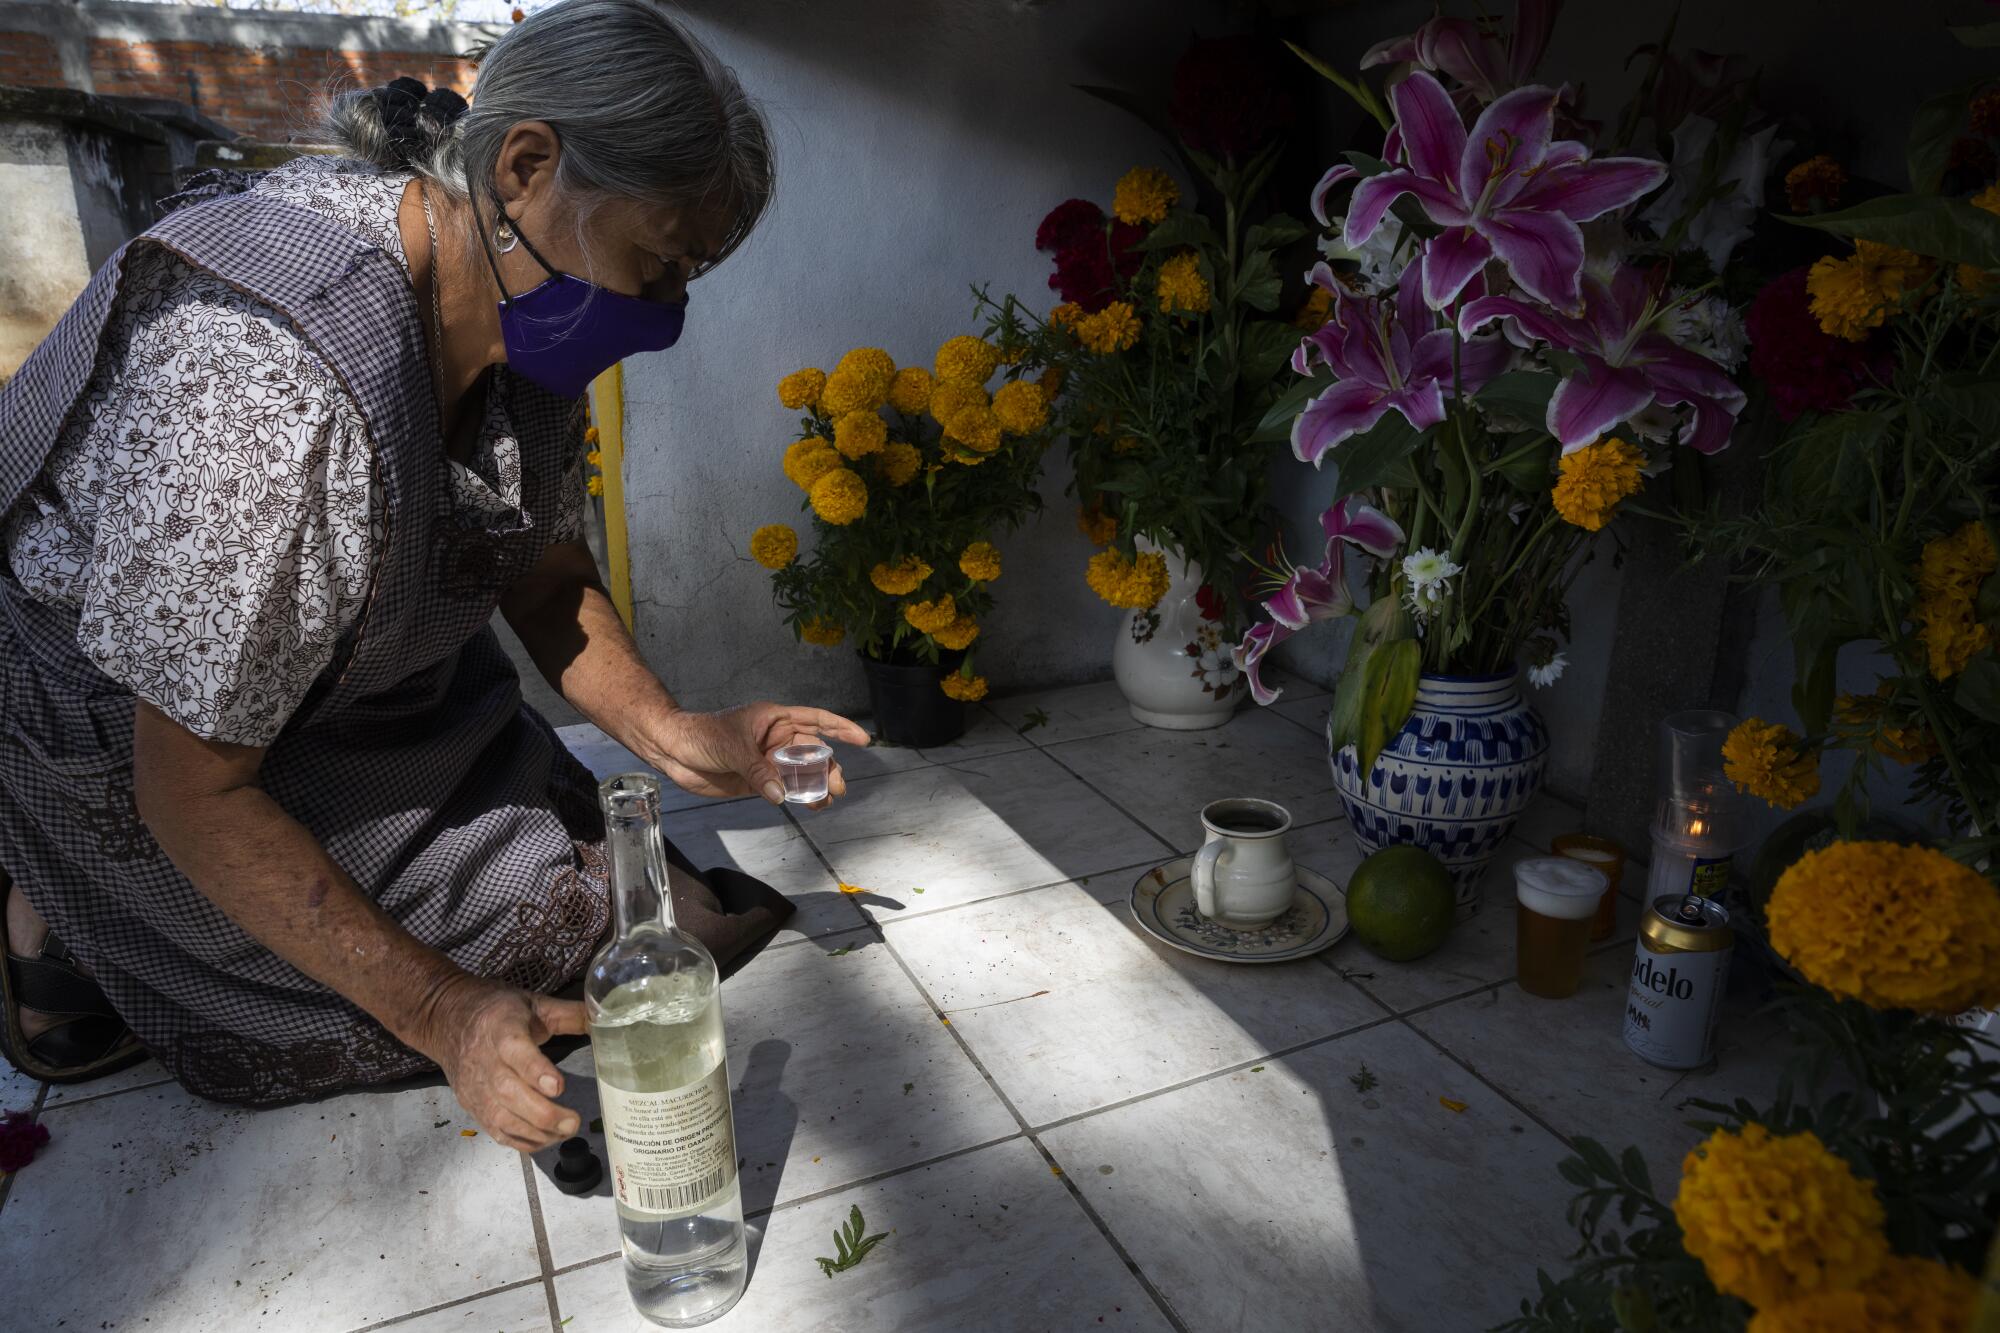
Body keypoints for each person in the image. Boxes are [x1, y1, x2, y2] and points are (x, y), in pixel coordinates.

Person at [0, 0, 865, 1152]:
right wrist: (441, 1013)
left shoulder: (521, 307)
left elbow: (546, 579)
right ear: (523, 166)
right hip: (143, 735)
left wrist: (680, 736)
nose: (666, 314)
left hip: (328, 689)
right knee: (536, 974)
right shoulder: (266, 383)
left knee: (631, 908)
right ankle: (54, 923)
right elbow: (193, 787)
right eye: (659, 264)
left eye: (686, 276)